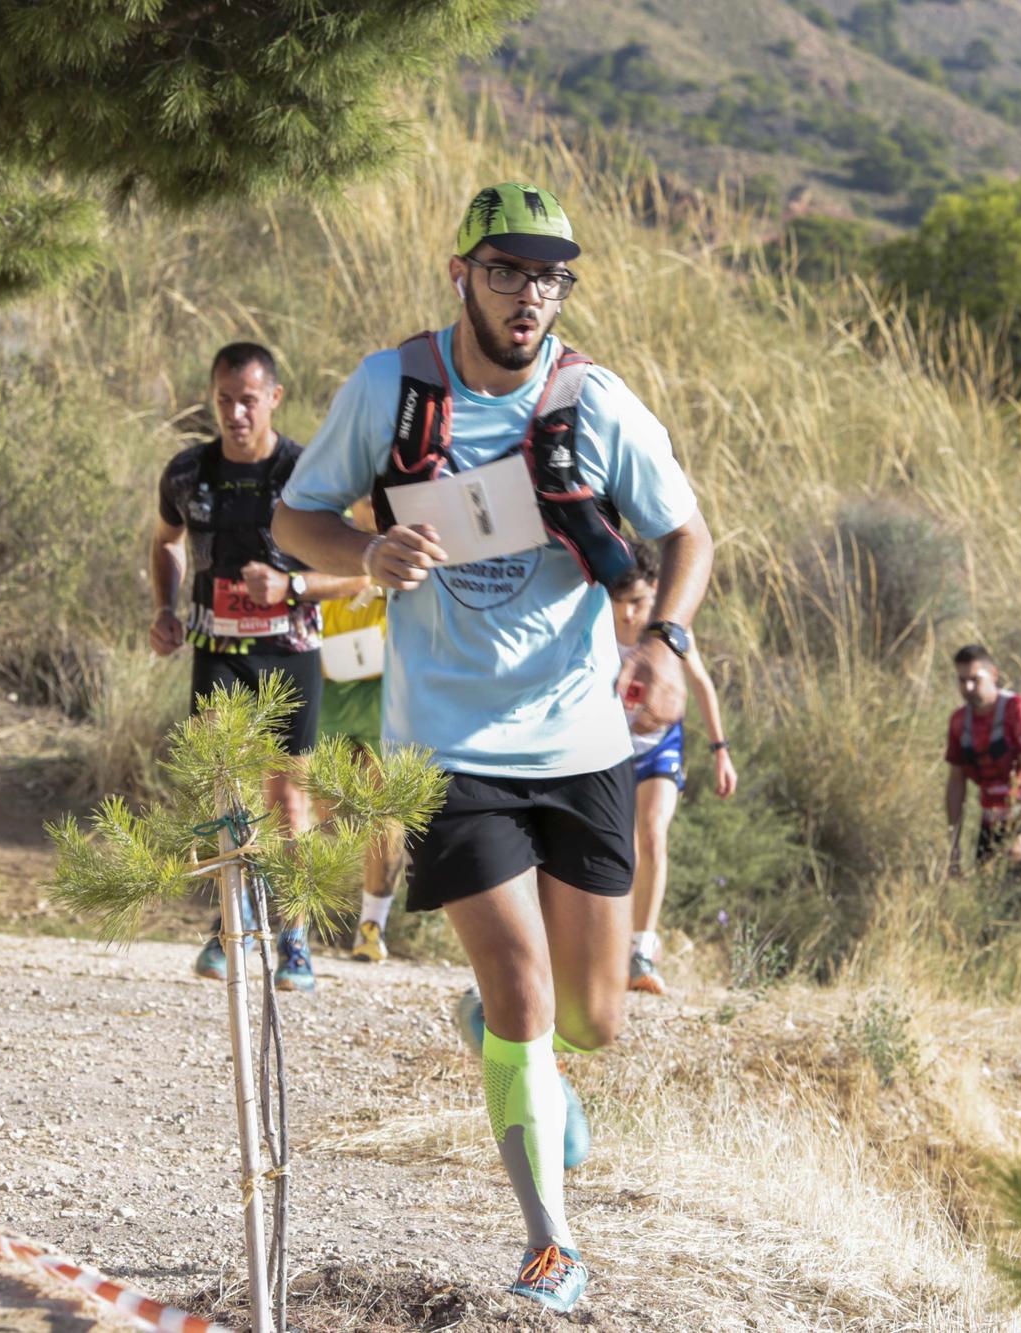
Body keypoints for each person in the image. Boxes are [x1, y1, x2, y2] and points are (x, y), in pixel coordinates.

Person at [272, 182, 713, 1314]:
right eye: (507, 270)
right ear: (460, 273)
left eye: (550, 275)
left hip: (579, 743)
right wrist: (365, 554)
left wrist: (663, 637)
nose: (530, 294)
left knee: (593, 1021)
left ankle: (497, 1032)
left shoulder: (592, 399)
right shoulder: (391, 386)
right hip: (447, 746)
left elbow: (684, 532)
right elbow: (295, 515)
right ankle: (547, 1243)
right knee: (520, 989)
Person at [152, 342, 369, 992]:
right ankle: (229, 923)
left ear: (274, 396)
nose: (236, 413)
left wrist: (291, 586)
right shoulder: (188, 472)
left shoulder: (308, 472)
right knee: (225, 786)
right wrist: (166, 605)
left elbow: (361, 564)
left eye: (248, 399)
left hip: (289, 650)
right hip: (218, 649)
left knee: (287, 797)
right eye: (224, 400)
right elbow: (165, 540)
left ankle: (295, 936)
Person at [609, 545, 736, 995]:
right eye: (619, 601)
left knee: (653, 832)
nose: (628, 614)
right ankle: (613, 946)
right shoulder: (597, 627)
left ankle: (642, 949)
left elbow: (701, 684)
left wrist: (720, 748)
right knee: (621, 848)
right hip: (611, 749)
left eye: (639, 602)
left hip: (661, 745)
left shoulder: (670, 631)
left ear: (657, 594)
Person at [313, 499, 402, 963]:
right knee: (313, 809)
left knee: (383, 811)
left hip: (380, 691)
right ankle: (292, 921)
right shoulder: (325, 536)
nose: (371, 501)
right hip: (326, 680)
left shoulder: (409, 542)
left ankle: (372, 927)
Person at [945, 644, 1021, 872]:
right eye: (962, 681)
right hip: (995, 816)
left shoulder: (1018, 711)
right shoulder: (959, 722)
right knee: (987, 887)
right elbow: (956, 783)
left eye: (975, 680)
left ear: (993, 675)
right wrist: (954, 844)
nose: (968, 687)